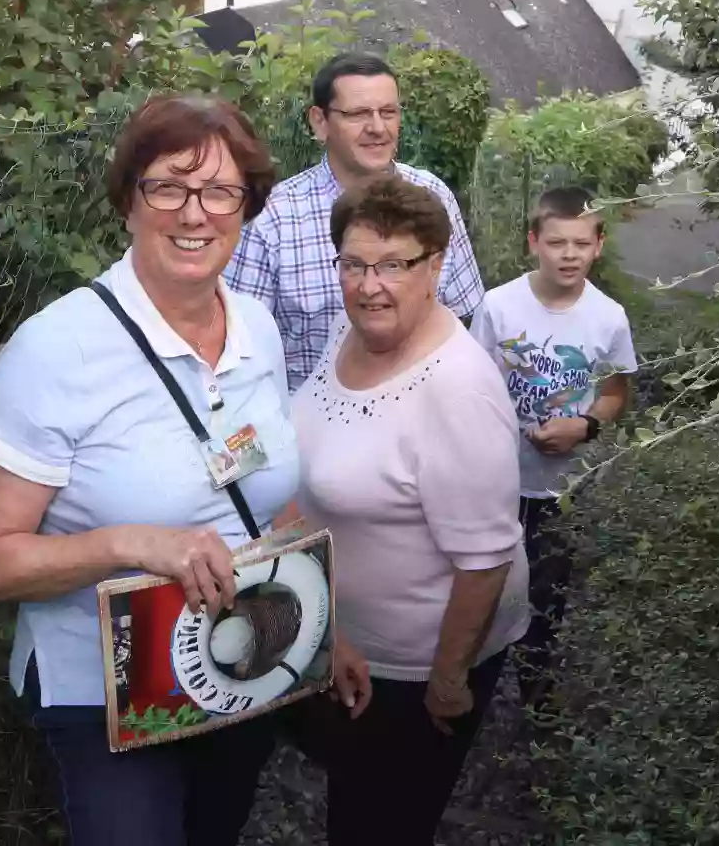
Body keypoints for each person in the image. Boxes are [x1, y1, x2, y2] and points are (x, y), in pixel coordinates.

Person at [0, 95, 296, 846]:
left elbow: (272, 494)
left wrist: (320, 614)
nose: (195, 213)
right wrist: (132, 544)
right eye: (168, 187)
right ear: (129, 201)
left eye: (220, 191)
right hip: (106, 691)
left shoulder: (259, 331)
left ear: (248, 207)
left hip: (234, 664)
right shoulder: (56, 351)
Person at [289, 176, 529, 844]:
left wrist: (448, 683)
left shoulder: (456, 389)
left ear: (436, 265)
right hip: (346, 646)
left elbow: (485, 557)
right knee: (355, 808)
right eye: (355, 264)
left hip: (414, 667)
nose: (371, 285)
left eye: (395, 265)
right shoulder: (351, 327)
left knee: (384, 825)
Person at [227, 52, 484, 391]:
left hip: (423, 418)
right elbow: (242, 350)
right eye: (359, 114)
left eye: (388, 112)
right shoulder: (273, 218)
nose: (377, 128)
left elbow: (465, 315)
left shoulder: (434, 195)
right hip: (311, 431)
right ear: (320, 122)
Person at [470, 186, 636, 652]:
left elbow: (615, 389)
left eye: (581, 244)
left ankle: (536, 698)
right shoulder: (497, 306)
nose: (569, 255)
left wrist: (584, 427)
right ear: (533, 241)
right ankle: (471, 676)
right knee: (484, 586)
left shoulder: (609, 318)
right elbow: (468, 385)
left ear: (599, 245)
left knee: (546, 599)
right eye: (557, 242)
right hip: (495, 481)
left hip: (563, 488)